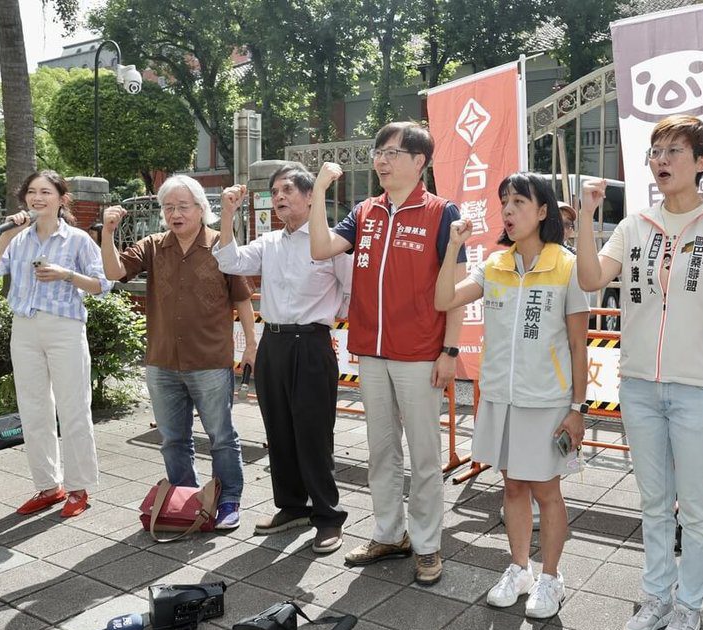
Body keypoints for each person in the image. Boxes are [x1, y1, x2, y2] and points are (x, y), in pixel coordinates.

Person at [576, 114, 703, 630]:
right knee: (655, 502)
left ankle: (688, 608)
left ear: (702, 162)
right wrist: (588, 218)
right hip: (638, 384)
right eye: (655, 151)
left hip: (702, 389)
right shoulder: (635, 223)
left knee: (698, 508)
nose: (661, 160)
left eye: (674, 151)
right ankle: (656, 596)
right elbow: (592, 279)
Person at [306, 121, 465, 586]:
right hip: (371, 351)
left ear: (420, 162)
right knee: (381, 452)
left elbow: (454, 289)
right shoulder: (365, 212)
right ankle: (388, 534)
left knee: (425, 453)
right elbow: (319, 248)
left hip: (419, 353)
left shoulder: (442, 212)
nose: (381, 159)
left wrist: (449, 351)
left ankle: (429, 545)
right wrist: (318, 190)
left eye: (393, 152)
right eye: (378, 151)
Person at [436, 172, 589, 618]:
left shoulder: (567, 265)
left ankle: (550, 577)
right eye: (504, 201)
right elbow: (443, 300)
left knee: (546, 490)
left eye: (519, 202)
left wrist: (577, 410)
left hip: (547, 402)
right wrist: (451, 247)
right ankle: (520, 568)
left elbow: (579, 347)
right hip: (501, 398)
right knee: (513, 484)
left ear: (543, 211)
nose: (508, 210)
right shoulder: (495, 266)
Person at [100, 175, 256, 530]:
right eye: (168, 207)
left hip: (210, 360)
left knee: (221, 436)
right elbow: (113, 271)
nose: (175, 213)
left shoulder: (221, 245)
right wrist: (108, 233)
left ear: (201, 209)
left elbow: (242, 300)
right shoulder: (153, 246)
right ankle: (186, 500)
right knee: (173, 439)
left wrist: (251, 345)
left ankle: (229, 497)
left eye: (183, 206)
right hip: (162, 361)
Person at [213, 165, 352, 552]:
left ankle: (327, 516)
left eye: (287, 190)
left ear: (311, 196)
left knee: (313, 433)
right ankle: (293, 506)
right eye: (274, 192)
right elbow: (229, 262)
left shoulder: (332, 241)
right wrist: (227, 214)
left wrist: (325, 318)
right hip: (273, 343)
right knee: (279, 429)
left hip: (311, 344)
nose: (279, 198)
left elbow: (351, 290)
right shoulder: (270, 242)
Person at [0, 170, 109, 517]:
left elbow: (101, 284)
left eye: (45, 192)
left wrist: (66, 275)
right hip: (25, 328)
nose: (37, 198)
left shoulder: (77, 240)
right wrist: (7, 236)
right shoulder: (18, 239)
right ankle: (49, 486)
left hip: (64, 327)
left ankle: (79, 488)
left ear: (62, 198)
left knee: (73, 407)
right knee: (33, 409)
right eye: (31, 192)